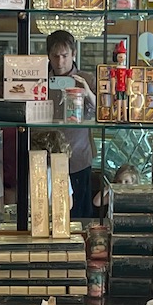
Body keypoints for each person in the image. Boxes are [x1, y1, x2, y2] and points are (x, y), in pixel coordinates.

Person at [43, 30, 97, 218]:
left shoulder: (87, 78)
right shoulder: (40, 79)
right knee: (48, 213)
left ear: (73, 54)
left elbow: (103, 112)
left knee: (78, 214)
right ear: (48, 56)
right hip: (45, 159)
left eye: (64, 56)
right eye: (55, 56)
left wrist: (87, 91)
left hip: (77, 157)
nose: (60, 62)